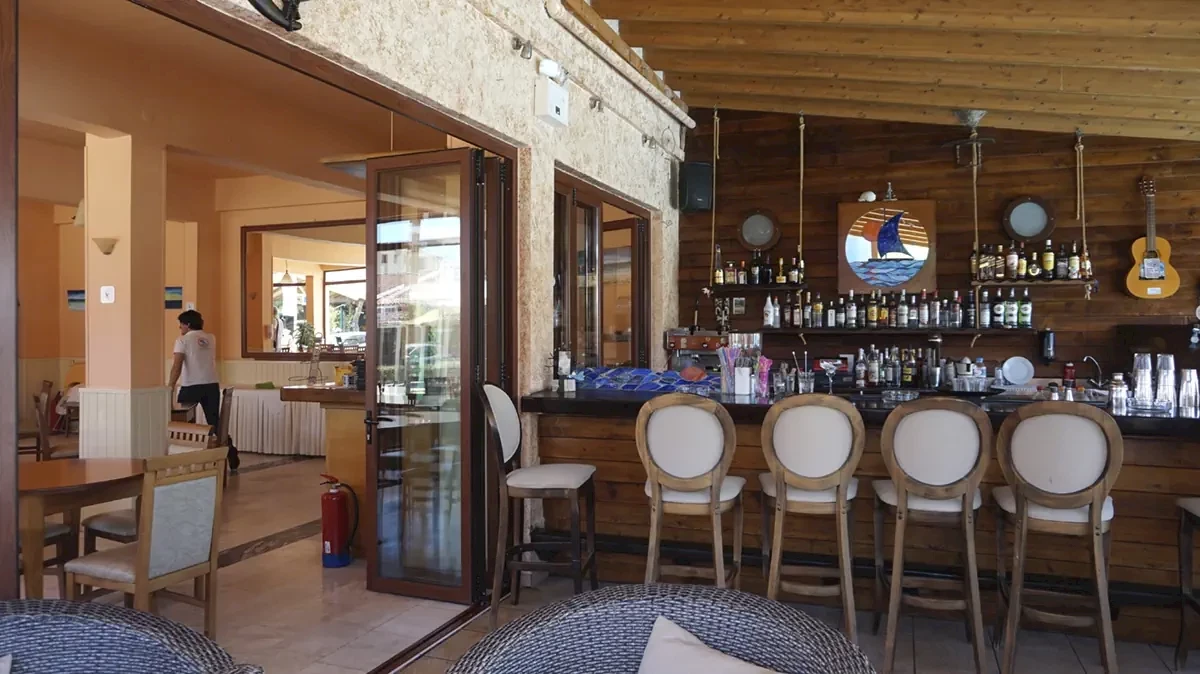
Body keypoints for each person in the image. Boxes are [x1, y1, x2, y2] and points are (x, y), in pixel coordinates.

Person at [168, 310, 239, 471]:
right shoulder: (211, 338)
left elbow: (177, 365)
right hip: (211, 385)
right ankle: (230, 451)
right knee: (214, 422)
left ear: (187, 324)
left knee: (182, 424)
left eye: (181, 324)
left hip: (190, 386)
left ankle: (186, 456)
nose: (180, 328)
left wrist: (170, 386)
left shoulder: (182, 340)